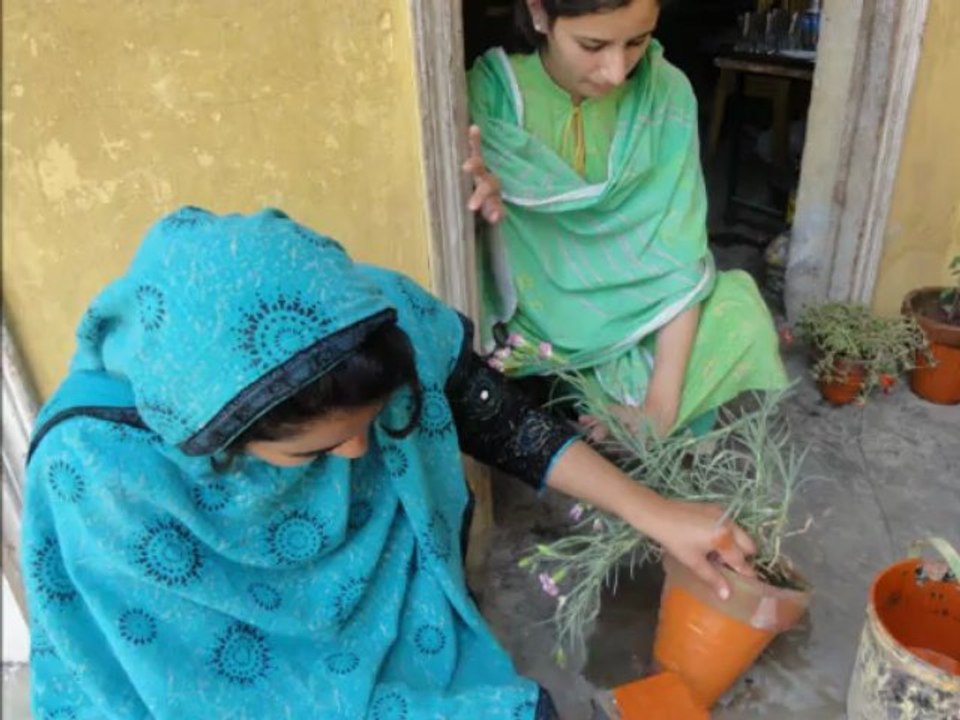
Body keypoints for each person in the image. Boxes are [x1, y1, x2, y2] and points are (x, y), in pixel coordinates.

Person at [23, 208, 756, 719]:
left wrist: (656, 515)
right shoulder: (96, 469)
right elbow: (174, 676)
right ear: (218, 440)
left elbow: (491, 414)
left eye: (376, 424)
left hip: (380, 621)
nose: (359, 456)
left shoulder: (371, 317)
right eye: (311, 452)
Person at [464, 0, 788, 441]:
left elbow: (679, 258)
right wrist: (479, 194)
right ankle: (591, 408)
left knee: (742, 314)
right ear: (539, 13)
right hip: (543, 324)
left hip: (644, 308)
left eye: (637, 41)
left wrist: (660, 407)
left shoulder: (666, 94)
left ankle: (619, 415)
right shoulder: (494, 92)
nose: (616, 72)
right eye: (593, 45)